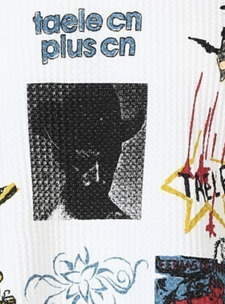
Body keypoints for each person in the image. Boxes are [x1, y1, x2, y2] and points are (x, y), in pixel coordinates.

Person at [29, 83, 145, 220]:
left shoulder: (108, 142)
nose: (93, 175)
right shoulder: (62, 138)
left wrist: (103, 189)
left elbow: (107, 167)